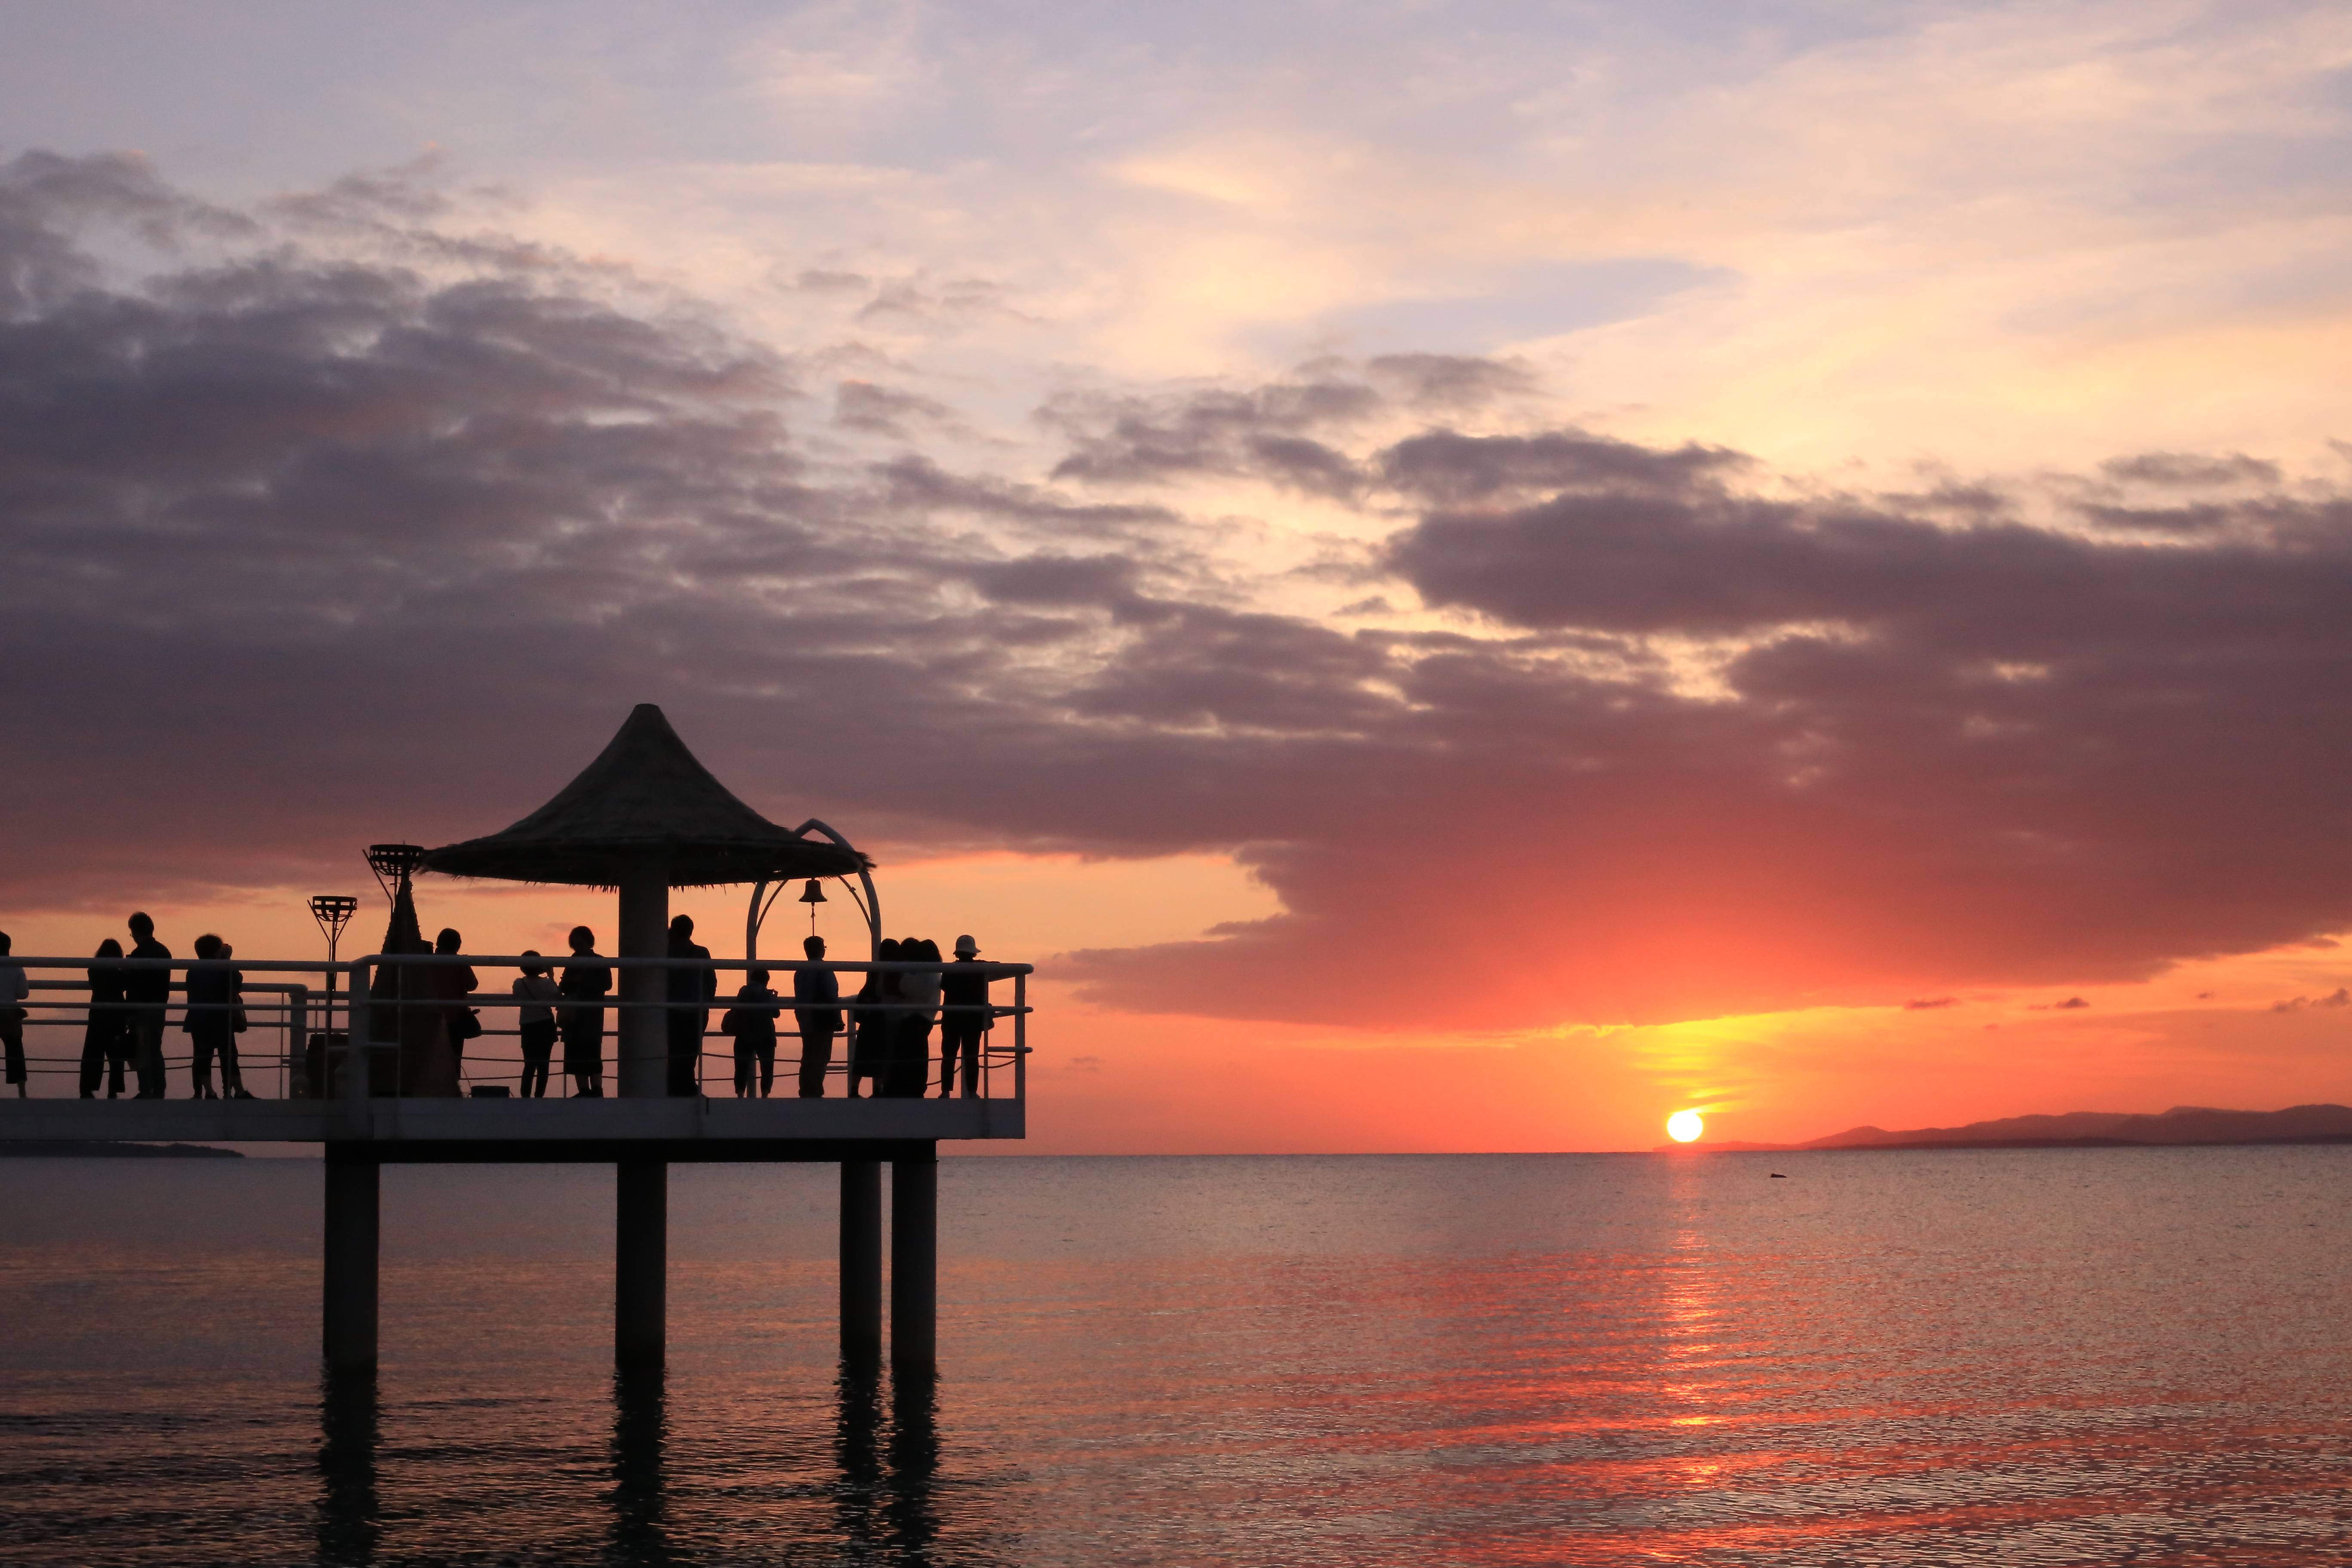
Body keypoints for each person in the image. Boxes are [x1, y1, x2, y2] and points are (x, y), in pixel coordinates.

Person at [420, 928, 477, 1096]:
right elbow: (473, 985)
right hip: (455, 1017)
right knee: (454, 1057)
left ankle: (429, 1090)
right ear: (457, 945)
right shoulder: (459, 963)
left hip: (430, 1017)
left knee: (429, 1056)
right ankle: (452, 1090)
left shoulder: (427, 962)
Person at [665, 914, 717, 1097]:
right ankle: (686, 1086)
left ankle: (675, 1086)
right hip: (697, 1009)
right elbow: (711, 981)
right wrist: (708, 1002)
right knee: (691, 1052)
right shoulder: (701, 952)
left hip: (672, 1010)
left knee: (674, 1050)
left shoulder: (665, 951)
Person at [181, 934, 238, 1099]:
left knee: (201, 1057)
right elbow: (237, 981)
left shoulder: (193, 970)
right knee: (228, 1056)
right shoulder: (222, 969)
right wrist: (227, 961)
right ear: (217, 951)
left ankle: (202, 1092)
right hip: (221, 1019)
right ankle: (229, 1092)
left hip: (199, 1019)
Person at [938, 934, 993, 1098]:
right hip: (973, 1020)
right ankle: (972, 1092)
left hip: (951, 1019)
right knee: (972, 1056)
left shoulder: (949, 971)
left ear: (957, 953)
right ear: (974, 953)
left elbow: (944, 987)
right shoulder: (981, 970)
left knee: (948, 1055)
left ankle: (946, 1091)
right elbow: (996, 967)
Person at [124, 913, 173, 1099]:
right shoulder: (164, 951)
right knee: (155, 1048)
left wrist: (130, 1012)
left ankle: (146, 1090)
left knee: (142, 1048)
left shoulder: (139, 954)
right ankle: (159, 1089)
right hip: (159, 1006)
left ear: (136, 932)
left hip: (142, 1007)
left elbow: (134, 985)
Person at [845, 939, 900, 1099]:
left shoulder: (874, 969)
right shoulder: (894, 971)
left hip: (869, 1019)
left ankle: (854, 1090)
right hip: (882, 1019)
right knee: (880, 1054)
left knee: (862, 1056)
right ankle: (877, 1090)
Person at [558, 926, 609, 1097]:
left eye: (579, 944)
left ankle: (592, 1089)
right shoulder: (596, 961)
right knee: (584, 1050)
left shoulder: (578, 962)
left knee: (587, 1050)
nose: (578, 948)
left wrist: (579, 981)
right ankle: (590, 1090)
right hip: (588, 1013)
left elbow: (606, 984)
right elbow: (564, 986)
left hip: (586, 1013)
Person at [888, 937, 941, 1099]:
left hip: (915, 1016)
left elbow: (908, 989)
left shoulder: (924, 974)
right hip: (926, 1017)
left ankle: (908, 1087)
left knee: (908, 1053)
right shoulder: (935, 973)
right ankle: (916, 1088)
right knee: (919, 1053)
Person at [792, 934, 841, 1098]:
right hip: (822, 1018)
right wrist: (838, 1017)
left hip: (805, 1017)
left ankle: (806, 1089)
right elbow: (831, 994)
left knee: (809, 1055)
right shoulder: (824, 969)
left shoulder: (800, 971)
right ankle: (815, 1090)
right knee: (821, 1055)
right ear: (821, 950)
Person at [721, 967, 781, 1097]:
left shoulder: (743, 992)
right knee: (767, 1068)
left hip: (744, 1034)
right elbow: (776, 1013)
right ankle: (765, 1094)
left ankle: (740, 1094)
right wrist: (774, 998)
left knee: (741, 1068)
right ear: (766, 982)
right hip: (765, 1036)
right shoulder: (767, 995)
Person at [80, 939, 128, 1098]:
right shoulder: (120, 974)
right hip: (117, 1014)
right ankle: (113, 1090)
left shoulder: (93, 970)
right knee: (116, 1055)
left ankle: (87, 1089)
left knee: (93, 1052)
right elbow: (124, 986)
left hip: (98, 1013)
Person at [512, 952, 561, 1098]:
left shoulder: (519, 983)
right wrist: (551, 975)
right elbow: (557, 996)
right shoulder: (547, 984)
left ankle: (525, 1097)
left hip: (528, 1026)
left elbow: (517, 996)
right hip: (546, 1025)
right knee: (544, 1065)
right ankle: (539, 1096)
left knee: (529, 1064)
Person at [0, 932, 26, 1098]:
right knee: (16, 1050)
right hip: (10, 1016)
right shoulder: (16, 967)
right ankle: (22, 1092)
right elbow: (23, 994)